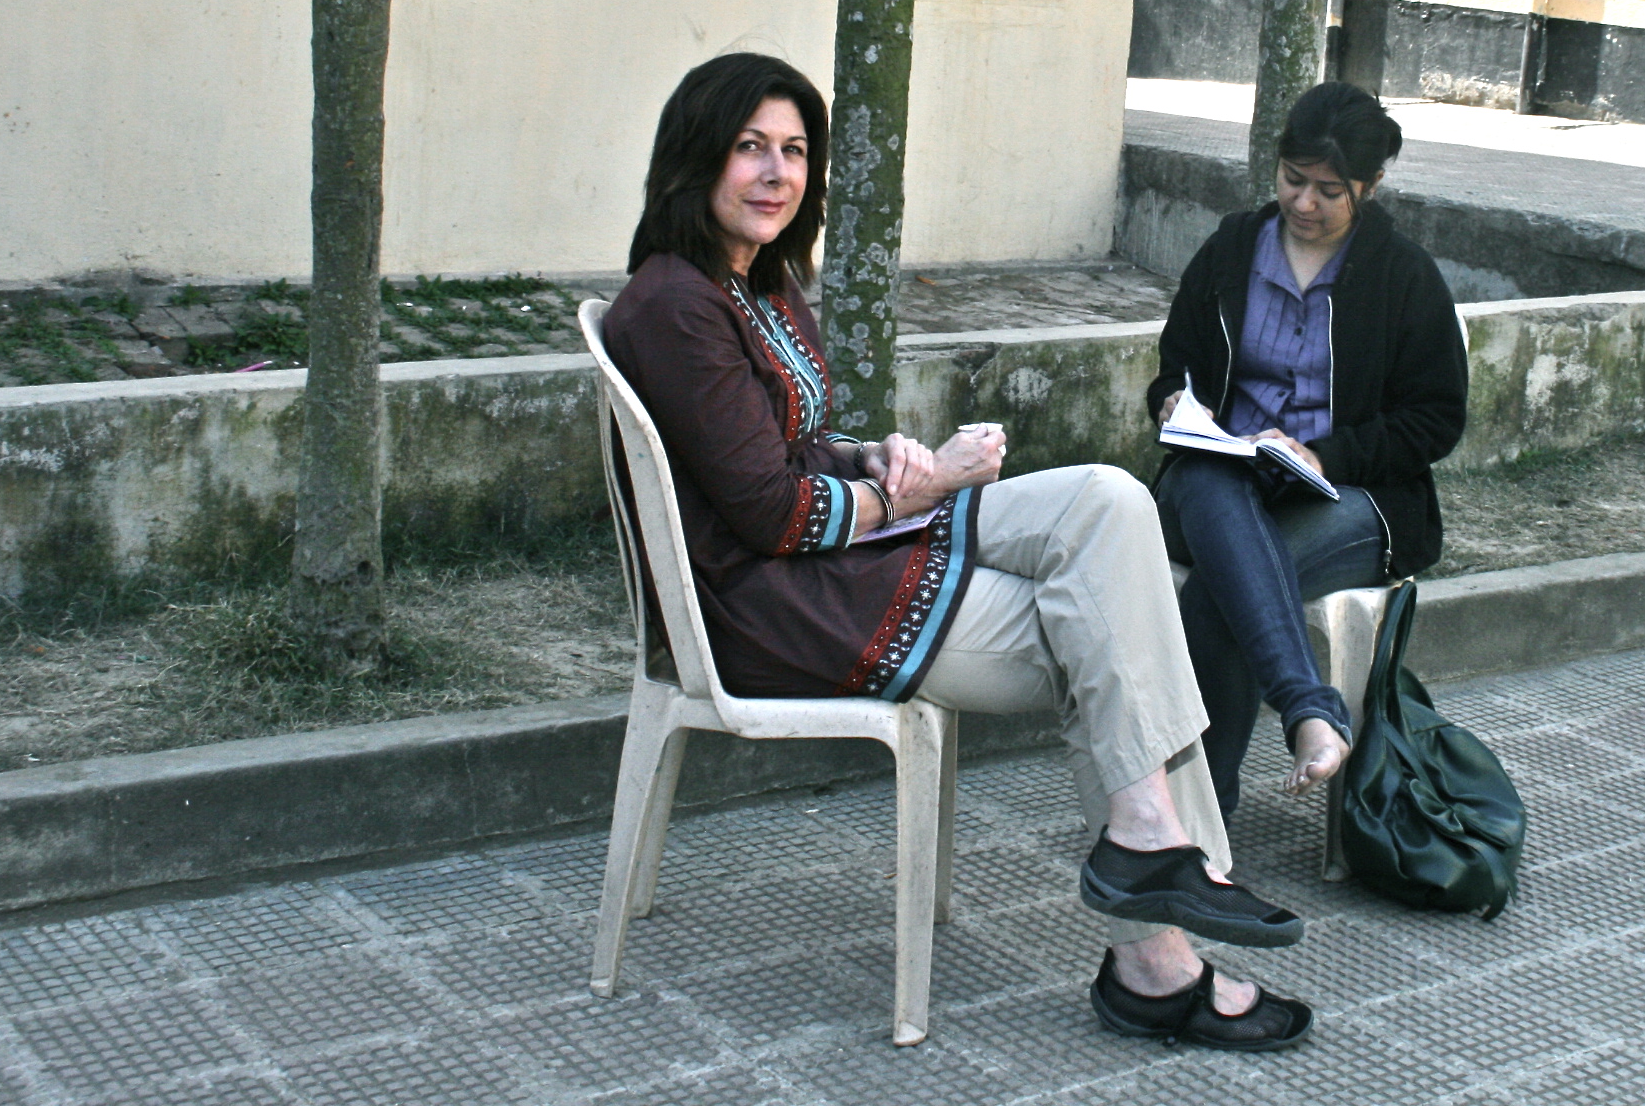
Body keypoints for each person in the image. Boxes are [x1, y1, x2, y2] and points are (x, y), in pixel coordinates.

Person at [602, 52, 1314, 1051]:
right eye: (749, 147)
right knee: (1106, 631)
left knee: (1110, 503)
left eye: (794, 151)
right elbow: (768, 512)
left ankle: (1151, 843)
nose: (776, 172)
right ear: (697, 157)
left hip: (838, 557)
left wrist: (872, 455)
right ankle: (1157, 949)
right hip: (780, 604)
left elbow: (783, 447)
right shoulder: (677, 305)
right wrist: (922, 481)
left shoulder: (751, 278)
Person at [1146, 82, 1468, 817]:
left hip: (1348, 499)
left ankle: (1195, 820)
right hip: (1219, 482)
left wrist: (1328, 455)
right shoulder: (1232, 250)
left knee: (1227, 589)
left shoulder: (1402, 275)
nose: (1304, 203)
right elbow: (1176, 367)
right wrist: (1173, 402)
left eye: (1329, 191)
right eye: (1293, 179)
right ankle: (1307, 711)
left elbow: (1436, 419)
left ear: (1371, 185)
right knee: (1210, 488)